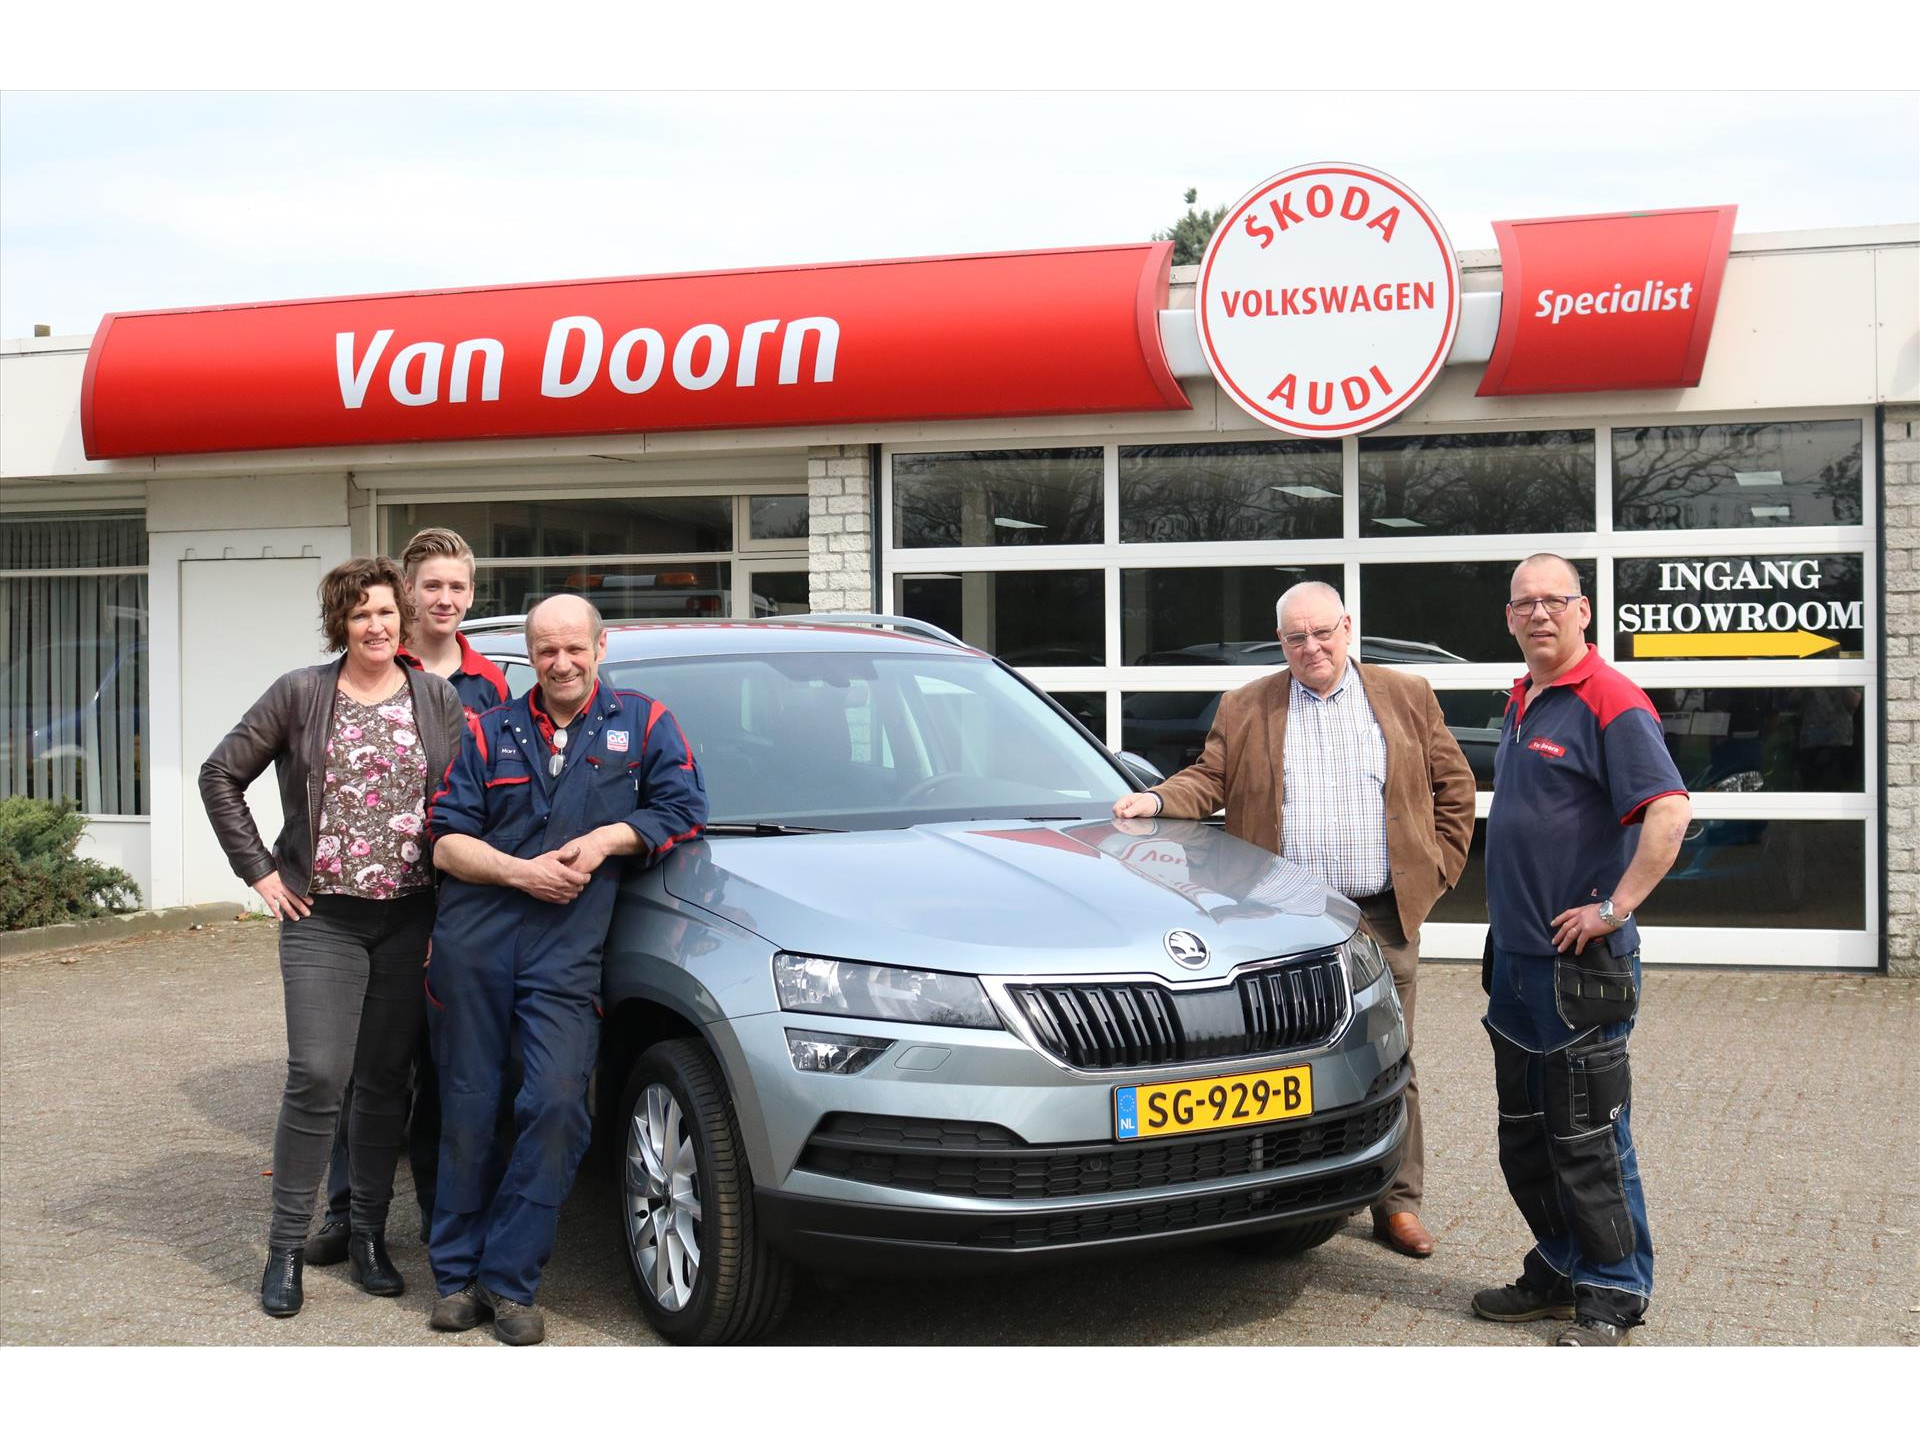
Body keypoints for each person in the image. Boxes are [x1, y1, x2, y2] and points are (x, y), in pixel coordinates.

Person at [1113, 580, 1475, 1259]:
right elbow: (1208, 779)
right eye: (1295, 637)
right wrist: (1157, 801)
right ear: (1280, 643)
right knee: (1282, 1064)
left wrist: (1436, 871)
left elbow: (1454, 788)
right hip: (1278, 926)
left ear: (1347, 628)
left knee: (1392, 1058)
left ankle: (1398, 1203)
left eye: (1322, 633)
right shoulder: (1246, 704)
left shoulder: (1407, 695)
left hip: (1381, 918)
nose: (1311, 647)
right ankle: (1293, 1189)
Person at [423, 593, 707, 1345]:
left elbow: (683, 808)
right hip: (476, 943)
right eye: (547, 650)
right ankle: (455, 1277)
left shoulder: (644, 723)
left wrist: (611, 836)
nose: (562, 663)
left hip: (567, 950)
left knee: (556, 1105)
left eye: (574, 647)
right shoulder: (487, 731)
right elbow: (446, 840)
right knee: (469, 1107)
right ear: (530, 656)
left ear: (600, 648)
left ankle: (509, 1278)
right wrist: (521, 873)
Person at [199, 557, 465, 1318]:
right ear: (340, 624)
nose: (376, 626)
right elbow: (220, 774)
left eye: (386, 612)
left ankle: (368, 1237)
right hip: (323, 919)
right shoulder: (301, 692)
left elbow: (460, 800)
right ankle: (285, 1249)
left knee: (384, 1082)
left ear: (403, 619)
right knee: (318, 1075)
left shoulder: (435, 697)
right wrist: (260, 871)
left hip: (411, 916)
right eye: (361, 615)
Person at [1475, 553, 1690, 1346]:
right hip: (1517, 964)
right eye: (1524, 603)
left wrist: (1614, 906)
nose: (1539, 613)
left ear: (1583, 610)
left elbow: (1669, 811)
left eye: (1554, 600)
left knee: (1590, 1136)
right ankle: (1563, 1266)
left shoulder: (1611, 699)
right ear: (1509, 618)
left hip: (1579, 971)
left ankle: (1615, 1290)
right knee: (1529, 1134)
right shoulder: (1524, 697)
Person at [305, 528, 510, 1267]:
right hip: (371, 903)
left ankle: (435, 1215)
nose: (444, 599)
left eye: (457, 587)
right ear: (408, 594)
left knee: (436, 1070)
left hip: (454, 905)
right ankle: (344, 1214)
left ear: (472, 594)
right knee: (360, 1068)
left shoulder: (492, 685)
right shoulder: (374, 667)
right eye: (432, 587)